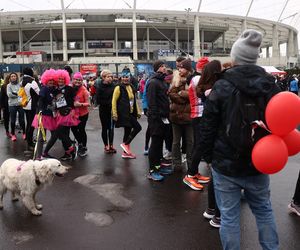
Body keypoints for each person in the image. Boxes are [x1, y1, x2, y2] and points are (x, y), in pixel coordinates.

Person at [198, 29, 279, 249]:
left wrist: (208, 157)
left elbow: (208, 125)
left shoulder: (222, 85)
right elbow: (280, 123)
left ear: (236, 57)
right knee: (263, 209)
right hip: (259, 160)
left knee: (229, 217)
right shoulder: (270, 85)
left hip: (225, 162)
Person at [183, 58, 215, 191]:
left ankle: (194, 172)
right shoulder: (197, 79)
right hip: (199, 115)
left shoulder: (198, 78)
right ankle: (190, 175)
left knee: (199, 145)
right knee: (200, 145)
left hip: (200, 115)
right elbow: (209, 93)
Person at [146, 60, 173, 181]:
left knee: (160, 144)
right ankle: (152, 171)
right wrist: (156, 118)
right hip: (156, 119)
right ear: (157, 68)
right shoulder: (153, 82)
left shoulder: (162, 81)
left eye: (164, 66)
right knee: (155, 145)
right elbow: (152, 103)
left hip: (164, 118)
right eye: (162, 66)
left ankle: (158, 166)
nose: (164, 68)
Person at [169, 58, 194, 173]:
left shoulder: (193, 79)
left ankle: (191, 164)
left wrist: (182, 94)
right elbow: (171, 94)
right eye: (179, 67)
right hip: (176, 116)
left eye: (182, 67)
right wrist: (185, 97)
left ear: (188, 69)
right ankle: (176, 163)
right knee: (176, 142)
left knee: (190, 141)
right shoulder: (176, 79)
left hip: (189, 117)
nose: (179, 69)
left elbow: (194, 95)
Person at [112, 72, 142, 159]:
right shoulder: (118, 87)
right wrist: (114, 113)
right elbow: (114, 101)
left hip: (131, 112)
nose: (126, 79)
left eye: (127, 77)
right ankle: (125, 144)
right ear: (121, 78)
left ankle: (125, 153)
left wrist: (138, 111)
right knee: (138, 127)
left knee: (127, 131)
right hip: (123, 113)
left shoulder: (131, 87)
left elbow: (134, 101)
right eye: (124, 77)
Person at [32, 69, 58, 159]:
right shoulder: (44, 89)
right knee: (41, 137)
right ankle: (38, 156)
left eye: (52, 80)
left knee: (55, 135)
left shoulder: (54, 90)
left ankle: (45, 152)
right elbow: (40, 99)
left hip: (51, 116)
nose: (51, 82)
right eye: (49, 80)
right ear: (46, 81)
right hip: (43, 116)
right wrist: (40, 109)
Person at [96, 69, 117, 153]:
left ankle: (111, 145)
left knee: (111, 128)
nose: (110, 78)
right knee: (105, 128)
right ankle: (106, 146)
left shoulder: (114, 86)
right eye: (108, 77)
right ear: (103, 78)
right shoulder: (99, 87)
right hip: (103, 110)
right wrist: (109, 103)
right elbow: (98, 100)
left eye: (111, 76)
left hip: (112, 110)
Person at [71, 72, 90, 157]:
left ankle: (84, 146)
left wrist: (80, 104)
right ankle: (80, 143)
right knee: (74, 129)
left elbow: (88, 103)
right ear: (73, 80)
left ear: (82, 81)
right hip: (73, 114)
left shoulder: (84, 90)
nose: (77, 81)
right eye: (76, 79)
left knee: (81, 129)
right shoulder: (70, 88)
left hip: (83, 114)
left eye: (79, 80)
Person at [21, 67, 40, 151]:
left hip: (25, 105)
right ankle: (30, 143)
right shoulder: (32, 82)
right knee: (32, 125)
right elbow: (39, 93)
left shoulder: (21, 82)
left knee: (29, 123)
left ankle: (29, 141)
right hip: (32, 106)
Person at [6, 72, 26, 141]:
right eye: (12, 76)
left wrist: (15, 93)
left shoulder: (20, 84)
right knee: (13, 121)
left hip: (20, 104)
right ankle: (13, 134)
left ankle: (24, 133)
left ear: (16, 77)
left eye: (14, 76)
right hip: (12, 105)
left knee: (22, 120)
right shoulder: (8, 85)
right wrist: (18, 94)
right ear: (10, 78)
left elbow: (22, 93)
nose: (13, 77)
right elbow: (9, 95)